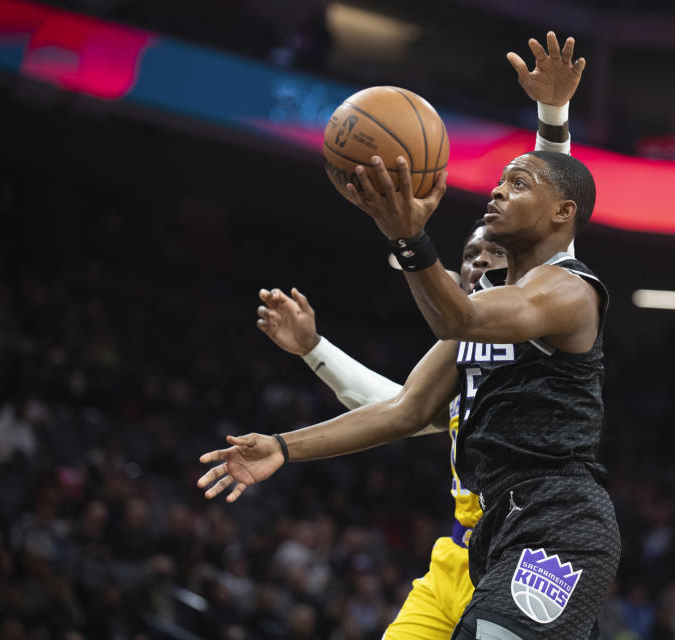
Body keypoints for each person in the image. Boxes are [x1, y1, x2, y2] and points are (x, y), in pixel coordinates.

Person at [198, 32, 618, 639]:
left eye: (515, 187)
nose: (496, 194)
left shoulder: (568, 292)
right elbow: (404, 408)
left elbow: (557, 193)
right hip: (483, 536)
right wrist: (284, 447)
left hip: (556, 527)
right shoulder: (483, 315)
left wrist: (552, 120)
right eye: (468, 253)